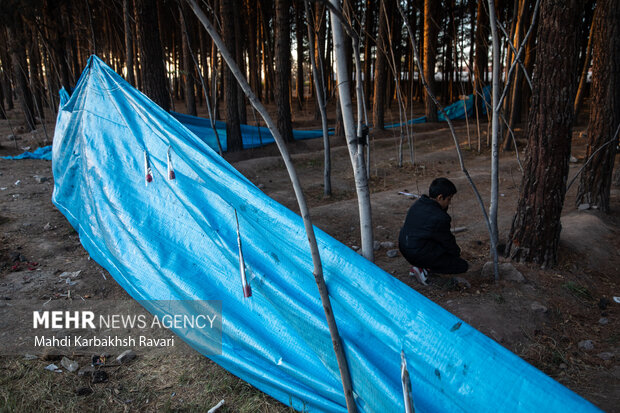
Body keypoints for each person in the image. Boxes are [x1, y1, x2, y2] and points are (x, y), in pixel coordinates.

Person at [398, 177, 468, 284]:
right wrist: (455, 254)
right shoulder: (440, 217)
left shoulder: (419, 204)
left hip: (404, 247)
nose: (449, 203)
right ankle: (423, 268)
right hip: (416, 252)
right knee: (461, 266)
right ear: (440, 197)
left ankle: (419, 265)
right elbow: (447, 241)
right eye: (449, 199)